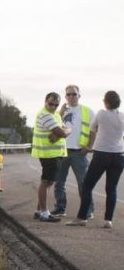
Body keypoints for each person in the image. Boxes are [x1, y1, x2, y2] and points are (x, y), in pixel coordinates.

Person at [67, 90, 124, 228]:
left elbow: (92, 129)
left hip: (101, 154)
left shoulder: (101, 113)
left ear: (106, 102)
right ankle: (108, 220)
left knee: (87, 185)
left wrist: (89, 145)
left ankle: (82, 217)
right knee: (111, 188)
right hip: (119, 155)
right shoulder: (123, 116)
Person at [51, 85, 95, 218]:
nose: (71, 97)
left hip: (79, 152)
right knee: (59, 182)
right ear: (65, 97)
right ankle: (60, 208)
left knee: (83, 183)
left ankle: (88, 211)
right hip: (61, 151)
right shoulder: (60, 112)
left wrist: (89, 146)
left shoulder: (87, 111)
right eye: (68, 94)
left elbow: (93, 131)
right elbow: (53, 127)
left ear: (79, 96)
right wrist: (61, 113)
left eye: (74, 94)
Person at [32, 92, 70, 222]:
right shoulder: (46, 115)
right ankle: (44, 213)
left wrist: (61, 133)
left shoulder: (55, 115)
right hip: (48, 155)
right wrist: (62, 133)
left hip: (55, 154)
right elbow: (64, 132)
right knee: (46, 182)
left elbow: (67, 129)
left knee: (48, 182)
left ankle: (39, 211)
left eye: (56, 104)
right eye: (50, 103)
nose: (53, 106)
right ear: (45, 101)